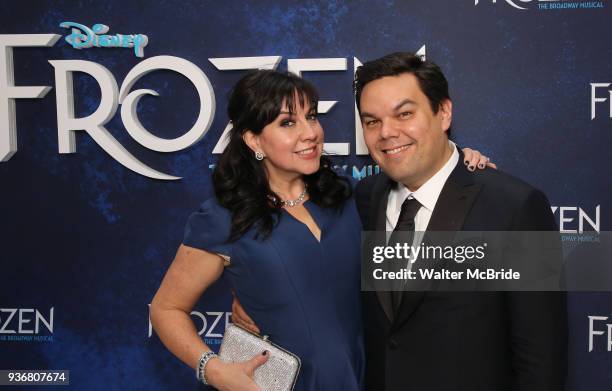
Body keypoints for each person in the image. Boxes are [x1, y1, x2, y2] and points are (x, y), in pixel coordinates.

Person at [150, 69, 492, 390]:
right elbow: (166, 309)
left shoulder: (349, 196)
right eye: (287, 122)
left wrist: (454, 160)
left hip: (366, 377)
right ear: (253, 140)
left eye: (311, 116)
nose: (310, 133)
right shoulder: (224, 218)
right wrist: (215, 370)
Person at [352, 52, 568, 390]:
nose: (387, 133)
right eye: (371, 121)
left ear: (444, 112)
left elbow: (540, 357)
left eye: (405, 114)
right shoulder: (364, 198)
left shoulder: (513, 207)